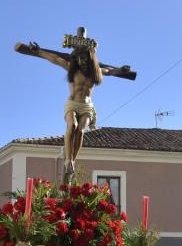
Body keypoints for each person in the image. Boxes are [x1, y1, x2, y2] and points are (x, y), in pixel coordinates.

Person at [16, 31, 134, 181]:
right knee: (72, 125)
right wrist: (38, 51)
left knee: (80, 130)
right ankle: (67, 159)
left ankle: (73, 160)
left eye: (84, 58)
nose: (82, 61)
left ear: (90, 59)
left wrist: (121, 70)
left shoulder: (95, 73)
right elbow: (54, 59)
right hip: (72, 104)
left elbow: (110, 71)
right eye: (80, 58)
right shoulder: (71, 68)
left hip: (87, 107)